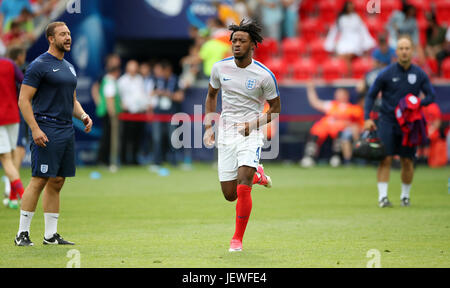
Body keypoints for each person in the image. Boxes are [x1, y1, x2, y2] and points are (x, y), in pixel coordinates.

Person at [204, 19, 281, 252]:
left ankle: (236, 239)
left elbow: (276, 110)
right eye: (234, 40)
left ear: (252, 45)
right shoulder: (219, 68)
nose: (236, 44)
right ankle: (258, 175)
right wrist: (209, 126)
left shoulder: (264, 75)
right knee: (229, 195)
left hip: (252, 132)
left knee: (243, 184)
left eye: (242, 41)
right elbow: (211, 96)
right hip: (227, 133)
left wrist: (254, 124)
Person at [15, 22, 93, 246]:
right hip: (46, 128)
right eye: (62, 34)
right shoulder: (39, 65)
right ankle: (22, 233)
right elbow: (23, 100)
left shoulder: (69, 67)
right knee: (39, 179)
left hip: (66, 129)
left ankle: (50, 236)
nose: (68, 37)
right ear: (51, 38)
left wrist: (84, 116)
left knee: (58, 180)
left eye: (69, 33)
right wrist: (35, 129)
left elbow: (73, 101)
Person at [364, 35, 435, 208]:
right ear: (396, 52)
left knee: (407, 161)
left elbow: (431, 96)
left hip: (409, 124)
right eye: (401, 48)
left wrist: (418, 103)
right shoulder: (386, 73)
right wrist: (367, 118)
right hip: (387, 121)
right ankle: (383, 198)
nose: (404, 51)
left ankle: (405, 196)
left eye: (407, 48)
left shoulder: (419, 74)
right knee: (385, 159)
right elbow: (371, 95)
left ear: (412, 51)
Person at [300, 82, 360, 167]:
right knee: (316, 132)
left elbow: (355, 124)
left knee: (340, 134)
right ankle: (310, 157)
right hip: (326, 128)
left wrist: (343, 123)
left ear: (346, 95)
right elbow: (315, 103)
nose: (339, 96)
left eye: (341, 94)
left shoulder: (353, 108)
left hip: (340, 130)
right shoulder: (331, 105)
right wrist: (310, 89)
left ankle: (337, 157)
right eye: (337, 94)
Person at [0, 48, 25, 209]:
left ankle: (23, 196)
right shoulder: (10, 64)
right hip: (14, 115)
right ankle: (12, 197)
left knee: (6, 159)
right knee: (14, 154)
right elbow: (24, 82)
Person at [324, 1, 375, 69]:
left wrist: (367, 43)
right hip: (344, 41)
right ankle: (347, 71)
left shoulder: (357, 18)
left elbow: (363, 31)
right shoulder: (340, 19)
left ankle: (348, 72)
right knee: (343, 54)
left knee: (349, 55)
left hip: (355, 41)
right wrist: (330, 44)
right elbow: (334, 31)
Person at [117, 60, 149, 165]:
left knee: (137, 137)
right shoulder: (122, 81)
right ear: (127, 68)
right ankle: (123, 160)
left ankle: (134, 159)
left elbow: (142, 94)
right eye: (132, 67)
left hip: (139, 113)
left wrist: (145, 106)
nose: (134, 70)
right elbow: (119, 96)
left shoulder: (139, 79)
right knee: (126, 138)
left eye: (135, 67)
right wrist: (122, 105)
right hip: (127, 113)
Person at [96, 58, 122, 172]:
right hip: (109, 113)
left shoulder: (106, 80)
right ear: (116, 72)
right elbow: (109, 99)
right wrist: (113, 115)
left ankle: (104, 160)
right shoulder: (110, 81)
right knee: (107, 138)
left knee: (106, 137)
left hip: (106, 112)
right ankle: (104, 161)